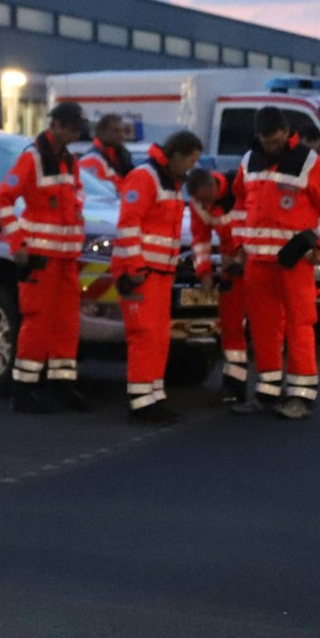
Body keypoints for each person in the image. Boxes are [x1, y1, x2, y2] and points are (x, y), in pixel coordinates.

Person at [234, 107, 320, 420]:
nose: (272, 145)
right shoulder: (249, 161)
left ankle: (301, 395)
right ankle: (267, 391)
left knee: (299, 325)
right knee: (263, 328)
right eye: (266, 140)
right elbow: (240, 203)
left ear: (286, 132)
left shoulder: (307, 161)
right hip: (258, 261)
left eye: (276, 139)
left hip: (293, 261)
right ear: (259, 136)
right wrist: (239, 244)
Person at [0, 102, 92, 414]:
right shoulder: (33, 158)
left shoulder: (69, 160)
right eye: (73, 128)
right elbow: (3, 199)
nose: (77, 134)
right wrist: (17, 244)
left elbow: (77, 194)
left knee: (67, 323)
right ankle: (24, 390)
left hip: (66, 257)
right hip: (40, 257)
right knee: (37, 322)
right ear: (57, 125)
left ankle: (62, 385)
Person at [114, 132, 205, 423]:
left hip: (160, 273)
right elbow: (129, 223)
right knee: (144, 335)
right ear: (176, 155)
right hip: (142, 273)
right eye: (191, 160)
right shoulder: (146, 177)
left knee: (159, 336)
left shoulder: (170, 181)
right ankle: (141, 402)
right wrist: (135, 268)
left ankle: (154, 396)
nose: (192, 167)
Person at [187, 166, 249, 405]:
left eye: (206, 199)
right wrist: (204, 272)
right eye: (200, 201)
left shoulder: (241, 188)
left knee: (268, 327)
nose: (205, 205)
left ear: (213, 185)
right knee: (231, 327)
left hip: (257, 264)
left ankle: (270, 388)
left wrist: (244, 257)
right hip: (232, 269)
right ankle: (235, 385)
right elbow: (200, 240)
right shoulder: (198, 204)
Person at [78, 113, 137, 189]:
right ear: (102, 132)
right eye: (116, 131)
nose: (121, 135)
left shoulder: (124, 155)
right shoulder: (91, 160)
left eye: (123, 131)